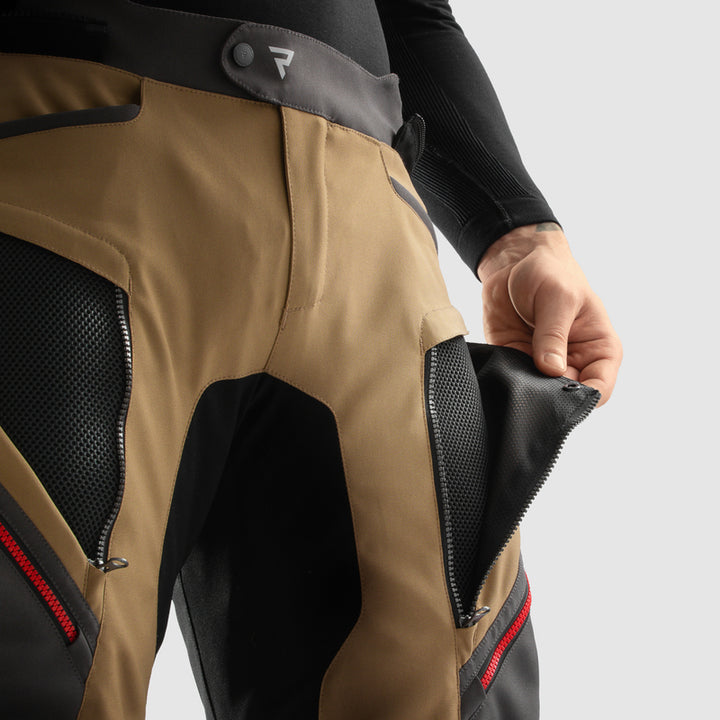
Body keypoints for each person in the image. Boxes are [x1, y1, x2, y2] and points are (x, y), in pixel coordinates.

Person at [0, 1, 621, 719]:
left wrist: (515, 229)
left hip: (374, 228)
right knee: (39, 670)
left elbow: (412, 12)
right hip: (70, 164)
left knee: (434, 688)